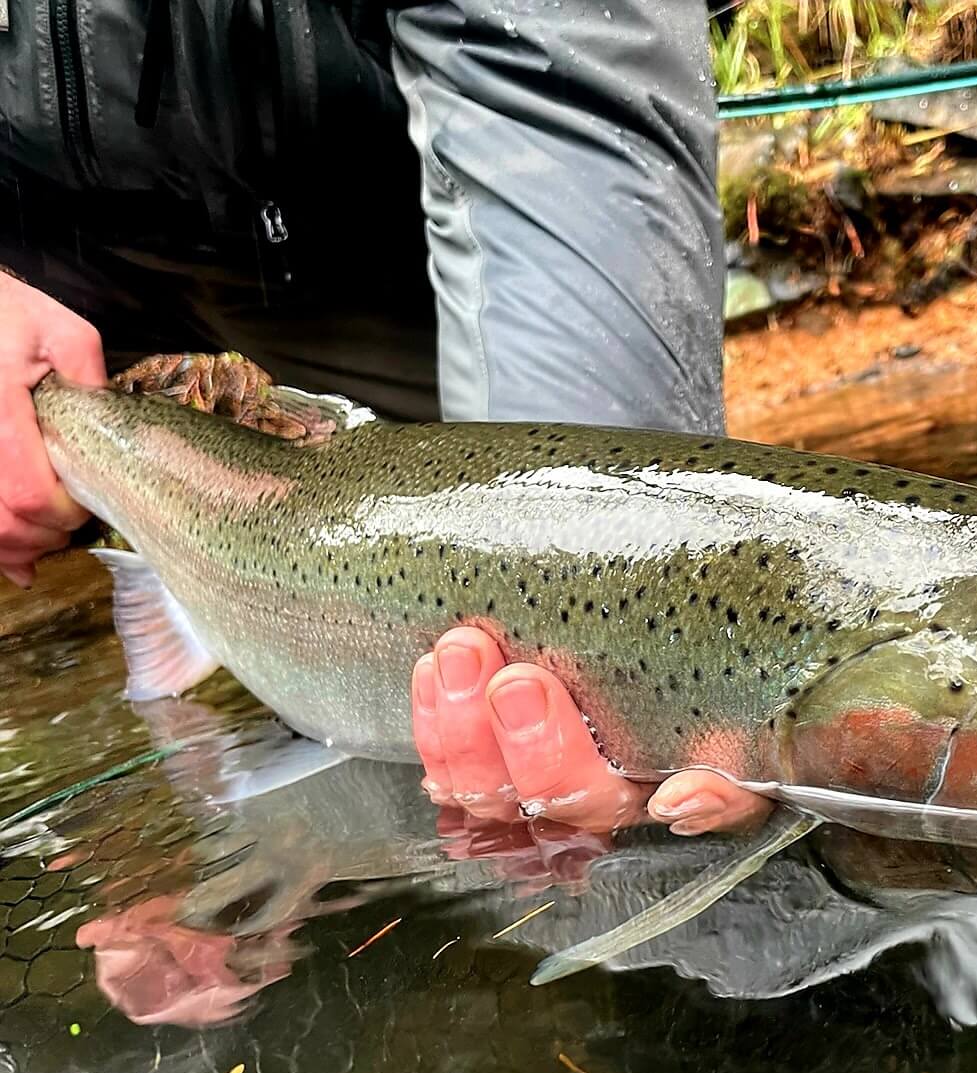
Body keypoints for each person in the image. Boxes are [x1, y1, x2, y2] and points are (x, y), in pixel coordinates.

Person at [0, 0, 767, 836]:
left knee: (580, 752)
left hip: (374, 211)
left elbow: (557, 76)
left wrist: (599, 617)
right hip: (32, 242)